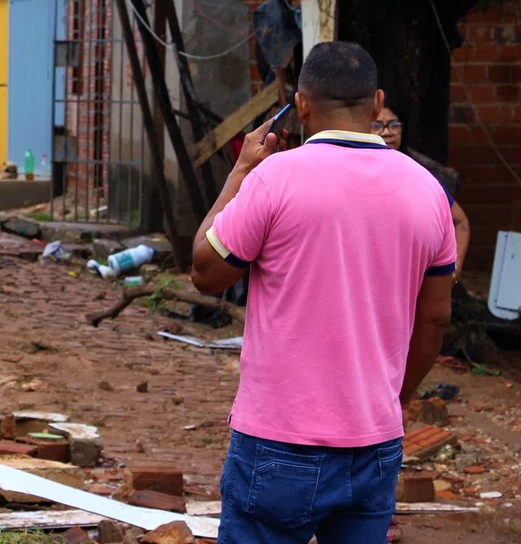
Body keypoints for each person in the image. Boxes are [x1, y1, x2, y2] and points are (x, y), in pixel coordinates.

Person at [190, 42, 455, 544]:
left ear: (302, 106)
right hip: (375, 439)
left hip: (278, 440)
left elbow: (206, 271)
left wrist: (240, 172)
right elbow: (436, 317)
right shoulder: (429, 191)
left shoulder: (273, 178)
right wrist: (391, 401)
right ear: (377, 104)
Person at [372, 101, 472, 282]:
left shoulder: (418, 174)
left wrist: (451, 273)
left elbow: (460, 223)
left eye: (394, 125)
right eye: (377, 125)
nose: (387, 132)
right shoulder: (358, 172)